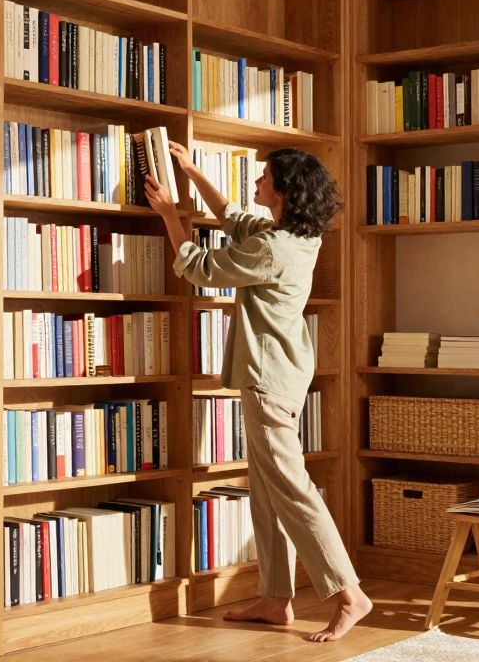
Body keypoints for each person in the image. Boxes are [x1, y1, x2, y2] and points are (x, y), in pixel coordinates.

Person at [143, 141, 372, 643]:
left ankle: (349, 594)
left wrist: (168, 214)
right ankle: (275, 598)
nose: (255, 184)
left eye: (263, 178)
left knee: (292, 489)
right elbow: (230, 217)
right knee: (268, 489)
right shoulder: (290, 236)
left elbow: (198, 267)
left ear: (284, 191)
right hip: (282, 375)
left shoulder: (272, 248)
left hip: (269, 379)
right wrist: (193, 173)